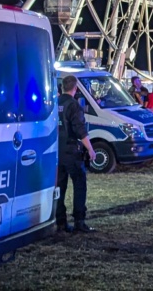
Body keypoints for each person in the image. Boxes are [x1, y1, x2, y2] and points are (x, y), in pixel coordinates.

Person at [56, 75, 96, 233]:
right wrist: (91, 150)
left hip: (57, 151)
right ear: (76, 88)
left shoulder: (56, 103)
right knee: (79, 185)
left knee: (60, 187)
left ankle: (60, 222)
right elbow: (80, 130)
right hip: (72, 150)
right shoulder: (73, 106)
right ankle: (79, 221)